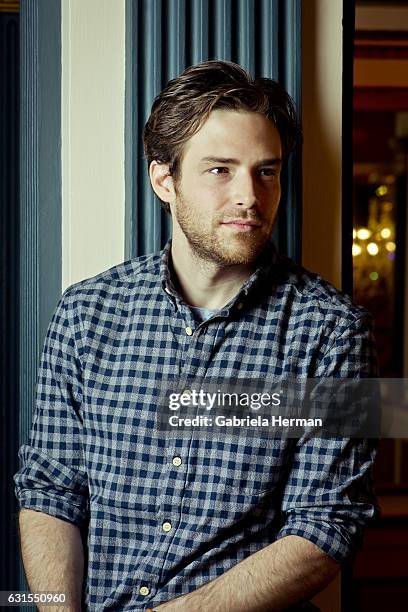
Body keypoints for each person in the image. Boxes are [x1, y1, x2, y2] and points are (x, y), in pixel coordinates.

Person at [14, 60, 378, 611]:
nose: (250, 197)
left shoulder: (335, 332)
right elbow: (49, 491)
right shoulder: (84, 314)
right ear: (164, 179)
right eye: (220, 170)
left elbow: (329, 525)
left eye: (267, 171)